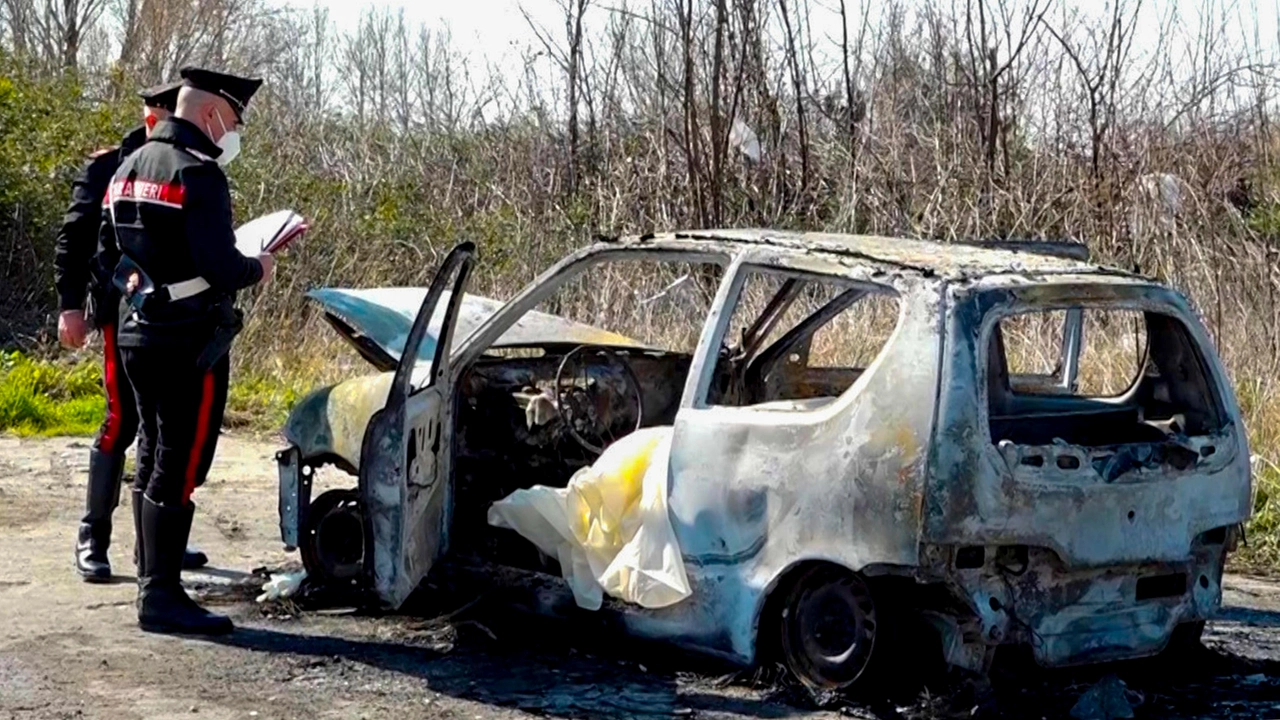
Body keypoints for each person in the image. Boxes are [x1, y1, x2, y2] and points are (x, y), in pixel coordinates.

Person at [98, 66, 274, 635]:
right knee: (180, 458)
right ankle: (161, 596)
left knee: (151, 450)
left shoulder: (128, 166)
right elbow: (221, 265)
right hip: (187, 340)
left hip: (135, 334)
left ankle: (154, 577)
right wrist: (259, 266)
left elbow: (106, 258)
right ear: (210, 114)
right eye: (235, 119)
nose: (236, 130)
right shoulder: (199, 176)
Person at [56, 80, 209, 582]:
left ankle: (156, 546)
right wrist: (69, 307)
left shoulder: (188, 163)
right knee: (122, 420)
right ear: (152, 115)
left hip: (171, 325)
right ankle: (92, 534)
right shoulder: (108, 165)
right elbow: (77, 238)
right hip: (119, 313)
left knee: (162, 431)